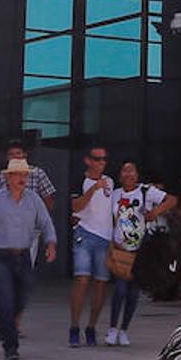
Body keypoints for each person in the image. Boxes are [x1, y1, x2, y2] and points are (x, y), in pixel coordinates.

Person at [0, 158, 57, 360]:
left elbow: (46, 222)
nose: (21, 179)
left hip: (23, 254)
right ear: (8, 177)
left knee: (22, 298)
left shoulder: (34, 199)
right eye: (17, 175)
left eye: (25, 175)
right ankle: (11, 346)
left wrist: (51, 244)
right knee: (6, 300)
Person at [105, 160, 176, 346]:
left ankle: (124, 330)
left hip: (141, 250)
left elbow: (172, 200)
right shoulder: (114, 195)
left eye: (132, 171)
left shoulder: (146, 191)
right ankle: (113, 328)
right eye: (125, 171)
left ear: (137, 174)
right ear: (120, 176)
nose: (128, 174)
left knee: (133, 292)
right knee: (120, 289)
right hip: (121, 250)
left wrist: (156, 212)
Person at [68, 146, 113, 347]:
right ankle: (74, 326)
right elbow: (75, 206)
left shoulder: (110, 182)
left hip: (105, 238)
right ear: (88, 160)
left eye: (104, 159)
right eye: (97, 159)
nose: (101, 163)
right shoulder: (80, 181)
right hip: (84, 236)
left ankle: (92, 326)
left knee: (101, 283)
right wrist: (93, 189)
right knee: (82, 280)